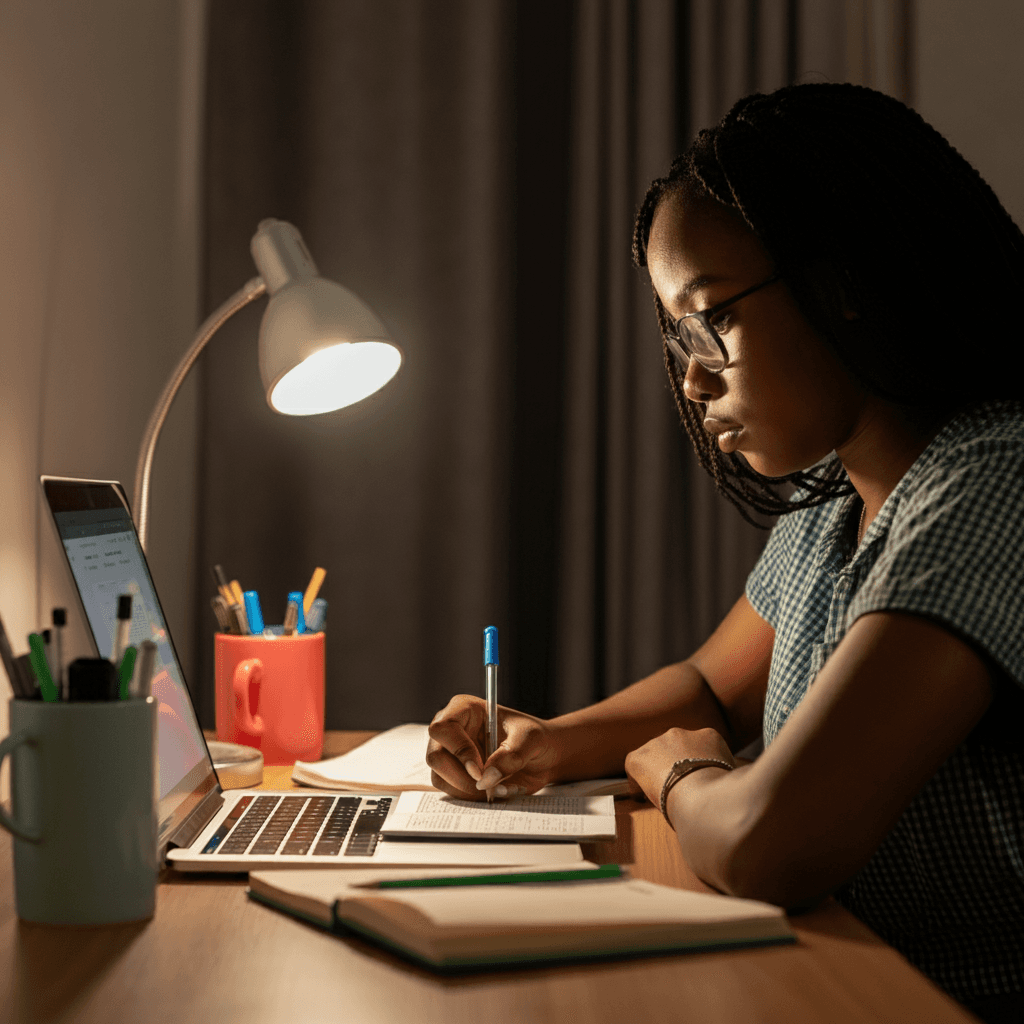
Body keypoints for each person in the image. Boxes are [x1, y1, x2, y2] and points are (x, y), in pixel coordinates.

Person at [426, 83, 1024, 1022]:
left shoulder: (990, 483)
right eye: (678, 336)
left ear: (849, 282)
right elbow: (710, 688)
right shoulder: (836, 505)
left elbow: (768, 845)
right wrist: (551, 744)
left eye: (713, 320)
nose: (694, 376)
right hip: (845, 981)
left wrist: (678, 774)